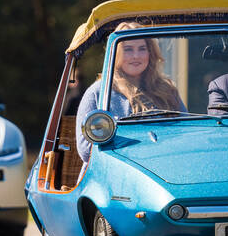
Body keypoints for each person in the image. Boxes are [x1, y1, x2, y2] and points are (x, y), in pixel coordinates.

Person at [76, 22, 186, 163]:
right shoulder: (98, 92)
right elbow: (85, 150)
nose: (136, 56)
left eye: (142, 49)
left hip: (166, 165)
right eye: (128, 49)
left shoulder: (167, 90)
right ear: (116, 54)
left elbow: (185, 133)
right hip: (114, 172)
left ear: (150, 53)